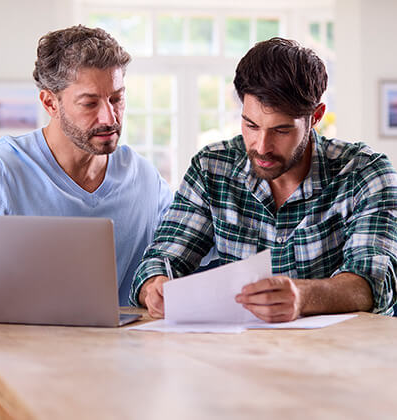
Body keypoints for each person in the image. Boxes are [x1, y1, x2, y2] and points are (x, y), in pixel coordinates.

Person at [130, 37, 397, 322]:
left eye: (281, 130)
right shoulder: (212, 167)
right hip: (240, 353)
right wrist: (153, 286)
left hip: (342, 355)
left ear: (316, 116)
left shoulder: (364, 172)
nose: (261, 146)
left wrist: (303, 297)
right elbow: (163, 258)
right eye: (250, 125)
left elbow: (375, 283)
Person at [0, 25, 173, 306]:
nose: (109, 117)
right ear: (50, 103)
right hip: (21, 347)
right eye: (89, 103)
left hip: (129, 346)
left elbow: (181, 253)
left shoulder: (143, 177)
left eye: (116, 98)